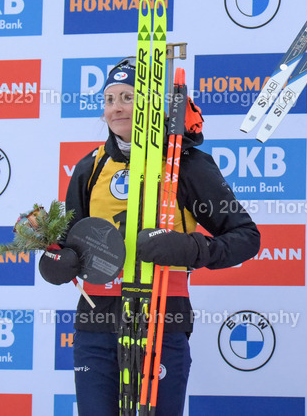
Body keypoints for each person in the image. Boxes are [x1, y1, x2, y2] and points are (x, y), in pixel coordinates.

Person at [39, 58, 261, 416]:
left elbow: (246, 237)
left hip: (163, 321)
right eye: (109, 99)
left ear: (148, 105)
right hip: (96, 327)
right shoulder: (89, 167)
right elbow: (67, 242)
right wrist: (58, 262)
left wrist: (191, 249)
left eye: (127, 97)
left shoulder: (185, 164)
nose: (116, 108)